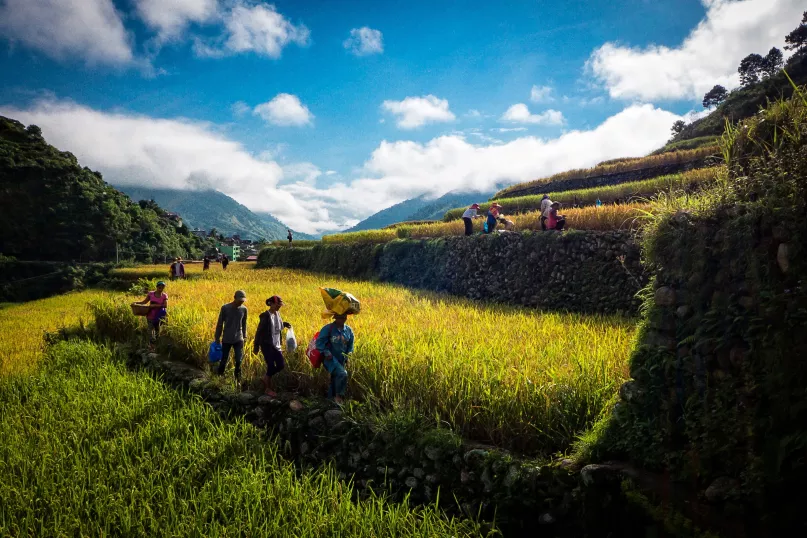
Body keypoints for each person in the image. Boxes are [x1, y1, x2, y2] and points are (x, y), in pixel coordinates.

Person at [253, 295, 292, 397]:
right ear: (271, 304)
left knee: (280, 365)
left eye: (280, 305)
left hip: (276, 344)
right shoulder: (265, 316)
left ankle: (266, 378)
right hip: (267, 344)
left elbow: (277, 326)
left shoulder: (277, 314)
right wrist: (256, 346)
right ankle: (267, 388)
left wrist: (284, 324)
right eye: (277, 305)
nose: (279, 307)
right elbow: (259, 331)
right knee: (270, 365)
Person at [315, 313, 354, 404]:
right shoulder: (328, 329)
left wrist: (349, 354)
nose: (343, 319)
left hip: (341, 359)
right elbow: (319, 343)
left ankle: (330, 400)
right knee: (342, 374)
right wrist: (326, 353)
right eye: (340, 318)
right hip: (330, 359)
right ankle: (338, 397)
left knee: (335, 377)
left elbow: (350, 345)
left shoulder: (348, 330)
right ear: (335, 318)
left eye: (344, 317)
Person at [215, 290, 248, 383]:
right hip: (227, 338)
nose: (241, 302)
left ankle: (237, 380)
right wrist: (217, 337)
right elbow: (220, 323)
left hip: (239, 338)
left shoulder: (244, 309)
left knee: (239, 360)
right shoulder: (225, 308)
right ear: (234, 298)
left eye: (243, 300)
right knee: (224, 359)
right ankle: (219, 378)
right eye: (240, 300)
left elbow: (244, 323)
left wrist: (245, 336)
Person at [135, 281, 168, 349]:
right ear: (157, 287)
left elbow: (165, 305)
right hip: (150, 315)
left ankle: (156, 346)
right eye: (159, 287)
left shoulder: (164, 295)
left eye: (162, 288)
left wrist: (155, 305)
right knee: (150, 330)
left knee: (157, 330)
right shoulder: (151, 294)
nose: (160, 289)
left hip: (159, 316)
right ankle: (152, 345)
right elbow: (144, 302)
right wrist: (136, 303)